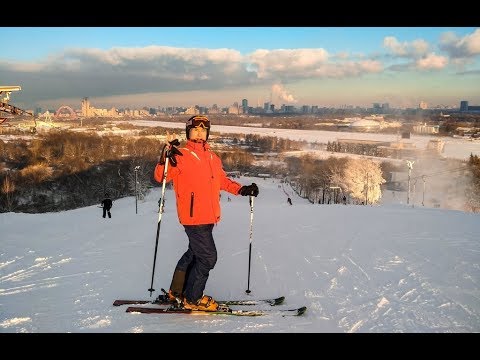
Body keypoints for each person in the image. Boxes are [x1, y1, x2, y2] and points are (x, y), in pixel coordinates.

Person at [154, 115, 259, 312]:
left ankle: (176, 292)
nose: (200, 132)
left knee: (193, 254)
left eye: (203, 130)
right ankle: (193, 298)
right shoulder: (180, 155)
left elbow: (223, 182)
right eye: (195, 129)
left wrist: (242, 190)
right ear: (188, 132)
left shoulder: (212, 158)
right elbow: (161, 176)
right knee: (208, 258)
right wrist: (166, 154)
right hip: (193, 218)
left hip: (209, 217)